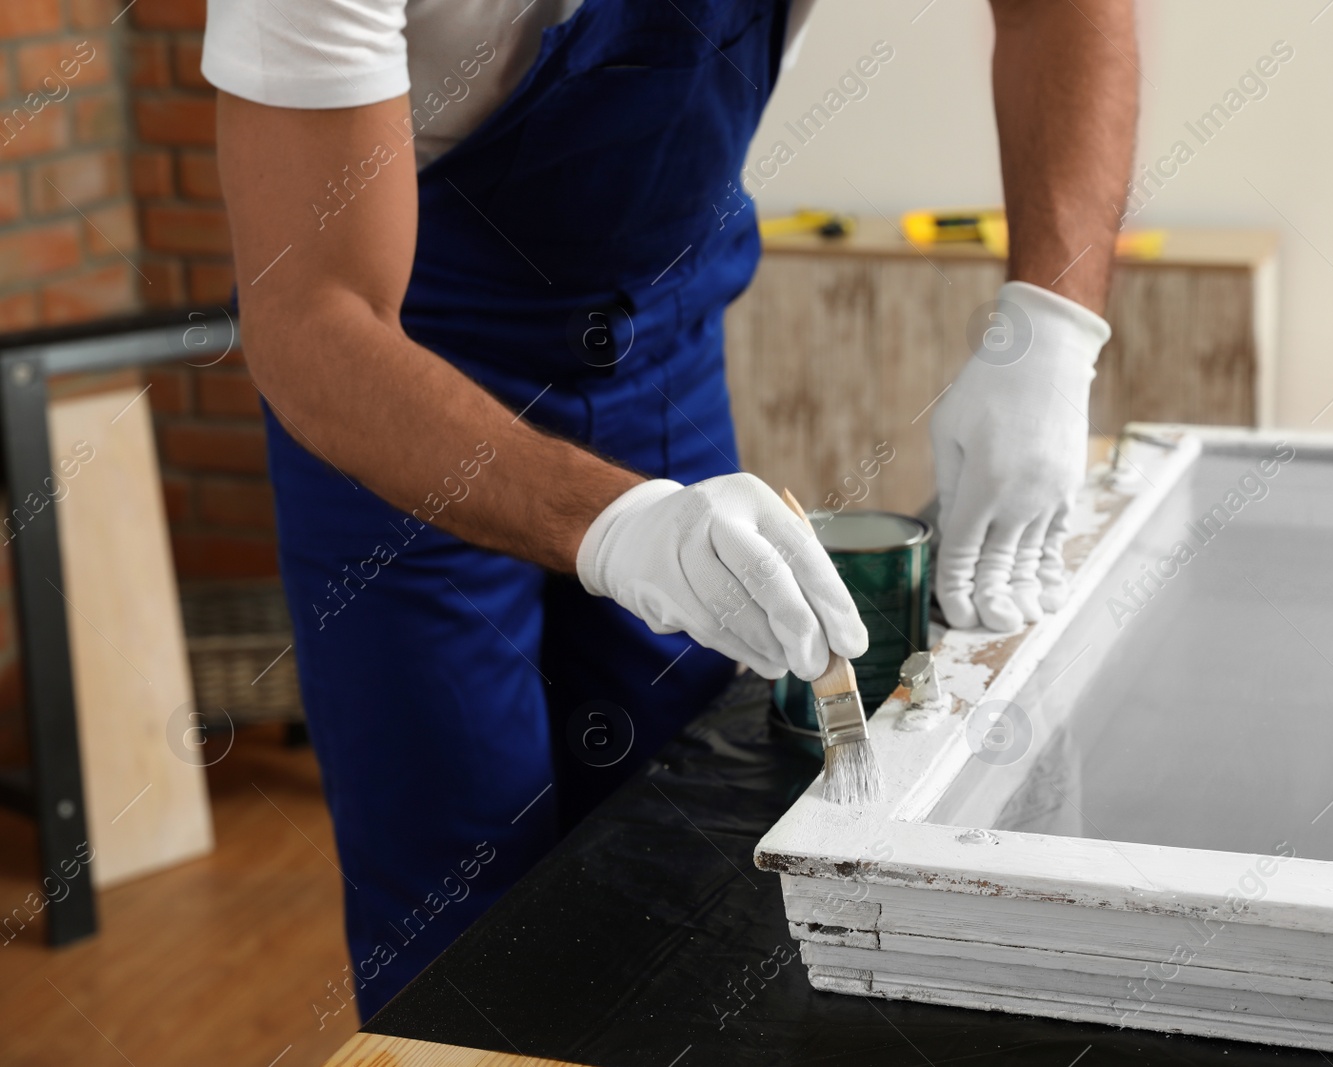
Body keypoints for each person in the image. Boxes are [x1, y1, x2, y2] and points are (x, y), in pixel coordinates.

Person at [204, 0, 1136, 1018]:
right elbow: (310, 320)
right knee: (463, 919)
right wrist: (612, 523)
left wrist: (1051, 326)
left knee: (686, 842)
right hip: (401, 390)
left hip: (660, 343)